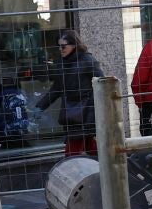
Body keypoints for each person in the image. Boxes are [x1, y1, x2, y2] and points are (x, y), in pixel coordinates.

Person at [37, 30, 104, 158]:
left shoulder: (87, 60)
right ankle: (106, 167)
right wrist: (40, 106)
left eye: (63, 46)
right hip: (71, 113)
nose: (60, 49)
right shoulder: (62, 63)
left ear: (74, 45)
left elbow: (102, 82)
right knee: (88, 145)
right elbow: (56, 88)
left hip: (85, 111)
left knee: (72, 151)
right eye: (59, 46)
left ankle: (102, 169)